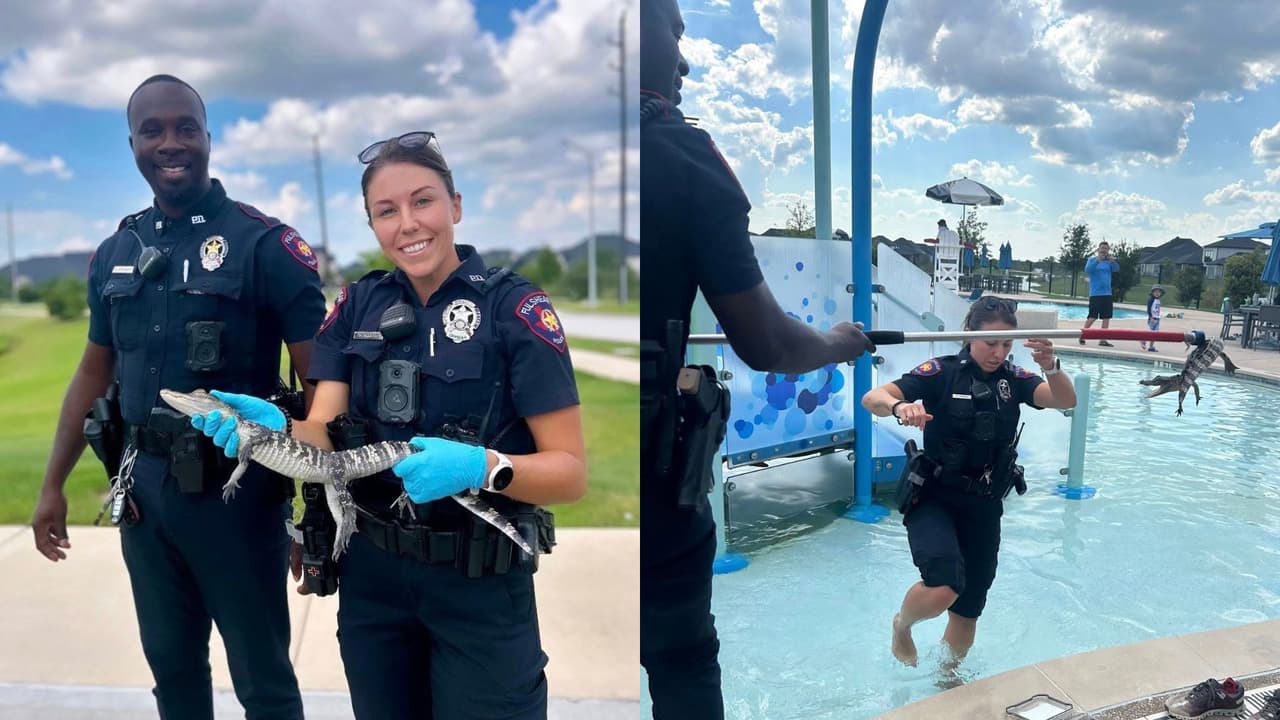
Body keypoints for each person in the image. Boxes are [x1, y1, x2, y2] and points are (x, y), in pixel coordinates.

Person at [189, 131, 585, 719]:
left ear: (455, 205)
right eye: (387, 211)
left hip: (478, 584)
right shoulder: (357, 307)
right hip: (374, 583)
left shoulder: (514, 310)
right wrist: (275, 428)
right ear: (373, 225)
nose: (408, 224)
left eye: (423, 201)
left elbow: (570, 473)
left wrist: (483, 467)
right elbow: (323, 435)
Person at [30, 74, 323, 719]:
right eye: (153, 130)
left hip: (237, 498)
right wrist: (53, 484)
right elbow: (93, 373)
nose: (171, 142)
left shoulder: (265, 245)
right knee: (173, 674)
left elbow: (322, 388)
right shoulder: (116, 251)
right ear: (133, 144)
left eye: (185, 128)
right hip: (145, 499)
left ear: (208, 138)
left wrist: (316, 512)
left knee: (265, 682)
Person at [640, 0, 876, 716]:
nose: (684, 60)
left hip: (534, 465)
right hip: (644, 481)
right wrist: (840, 342)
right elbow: (766, 342)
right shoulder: (681, 157)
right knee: (681, 661)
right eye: (674, 31)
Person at [860, 297, 1076, 667]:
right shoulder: (941, 373)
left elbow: (1064, 399)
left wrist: (1050, 366)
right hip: (934, 497)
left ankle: (948, 680)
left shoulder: (1014, 379)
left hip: (985, 505)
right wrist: (900, 406)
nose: (998, 353)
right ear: (970, 336)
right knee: (944, 587)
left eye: (1006, 344)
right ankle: (902, 626)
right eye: (990, 343)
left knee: (968, 609)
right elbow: (873, 398)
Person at [1081, 241, 1120, 346]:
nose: (1104, 250)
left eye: (1106, 248)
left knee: (1106, 317)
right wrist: (1097, 260)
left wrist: (1113, 262)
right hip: (1095, 294)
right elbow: (1088, 270)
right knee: (1092, 317)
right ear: (1098, 249)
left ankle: (1103, 339)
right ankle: (1083, 335)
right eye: (1102, 248)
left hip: (1107, 293)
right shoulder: (1092, 260)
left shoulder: (1109, 262)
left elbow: (1116, 269)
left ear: (1108, 250)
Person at [1141, 285, 1164, 352]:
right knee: (1151, 332)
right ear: (1152, 292)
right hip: (1152, 318)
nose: (1157, 293)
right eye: (1155, 292)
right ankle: (1143, 340)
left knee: (1155, 334)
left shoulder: (1158, 300)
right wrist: (1151, 317)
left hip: (1157, 318)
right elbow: (1148, 309)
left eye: (1159, 292)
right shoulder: (1151, 299)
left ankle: (1151, 347)